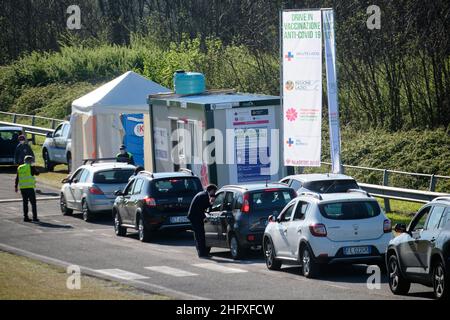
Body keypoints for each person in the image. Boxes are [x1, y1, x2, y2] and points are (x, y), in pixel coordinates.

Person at [187, 184, 218, 258]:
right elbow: (201, 208)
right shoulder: (204, 196)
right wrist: (206, 216)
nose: (214, 193)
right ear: (210, 190)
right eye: (214, 191)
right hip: (195, 217)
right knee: (200, 235)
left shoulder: (204, 194)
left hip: (196, 216)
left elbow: (205, 207)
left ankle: (202, 252)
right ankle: (202, 253)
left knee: (199, 234)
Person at [15, 155, 40, 222]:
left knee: (25, 203)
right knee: (33, 203)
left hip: (22, 188)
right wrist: (34, 167)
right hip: (30, 188)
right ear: (30, 161)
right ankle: (35, 217)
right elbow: (37, 173)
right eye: (32, 161)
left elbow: (17, 178)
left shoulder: (20, 167)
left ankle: (25, 217)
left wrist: (16, 186)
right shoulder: (31, 167)